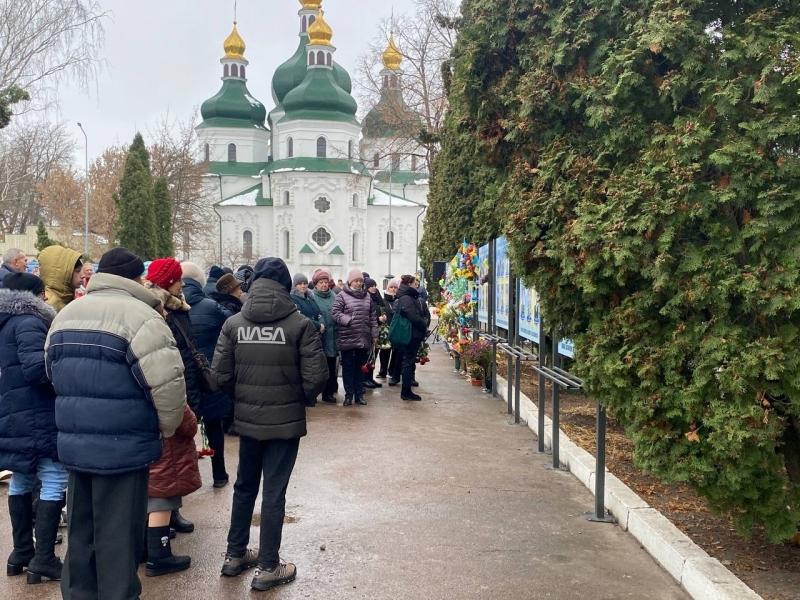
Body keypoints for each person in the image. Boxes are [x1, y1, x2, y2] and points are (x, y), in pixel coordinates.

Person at [45, 247, 186, 600]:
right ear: (135, 278)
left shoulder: (66, 314)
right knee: (119, 534)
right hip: (124, 446)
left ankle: (78, 594)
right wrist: (166, 430)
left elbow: (51, 372)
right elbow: (167, 387)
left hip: (76, 443)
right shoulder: (143, 317)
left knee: (81, 531)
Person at [212, 257, 327, 591]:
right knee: (274, 491)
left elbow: (220, 375)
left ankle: (235, 556)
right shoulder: (300, 324)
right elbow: (317, 378)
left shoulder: (234, 324)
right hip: (284, 423)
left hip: (248, 421)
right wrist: (299, 398)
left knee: (244, 486)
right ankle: (267, 566)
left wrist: (244, 398)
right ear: (286, 285)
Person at [0, 272, 66, 584]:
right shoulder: (27, 321)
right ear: (33, 296)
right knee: (53, 476)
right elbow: (36, 369)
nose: (47, 299)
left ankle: (20, 553)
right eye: (43, 294)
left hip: (13, 411)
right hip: (37, 412)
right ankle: (44, 558)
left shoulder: (5, 322)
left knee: (22, 476)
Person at [143, 258, 203, 575]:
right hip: (166, 392)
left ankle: (161, 531)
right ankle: (158, 552)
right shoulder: (155, 313)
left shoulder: (175, 308)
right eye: (177, 280)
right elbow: (164, 360)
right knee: (163, 468)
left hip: (178, 386)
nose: (181, 285)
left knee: (169, 466)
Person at [181, 261, 231, 488]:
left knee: (180, 430)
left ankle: (183, 481)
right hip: (208, 373)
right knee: (214, 426)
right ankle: (219, 474)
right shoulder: (210, 306)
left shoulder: (168, 307)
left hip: (180, 375)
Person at [331, 270, 378, 406]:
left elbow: (372, 317)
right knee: (348, 367)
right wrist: (348, 320)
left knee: (360, 367)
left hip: (363, 338)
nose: (358, 283)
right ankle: (348, 395)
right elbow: (335, 313)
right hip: (347, 337)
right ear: (350, 281)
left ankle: (359, 395)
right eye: (356, 281)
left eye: (360, 281)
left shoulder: (367, 297)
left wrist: (374, 334)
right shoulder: (342, 296)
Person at [395, 275, 428, 401]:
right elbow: (414, 316)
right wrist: (423, 326)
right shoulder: (406, 297)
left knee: (408, 361)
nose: (417, 286)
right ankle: (406, 391)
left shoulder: (406, 296)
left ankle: (407, 389)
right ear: (409, 284)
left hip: (411, 333)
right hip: (410, 334)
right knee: (408, 362)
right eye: (415, 283)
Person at [311, 269, 338, 404]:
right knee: (318, 368)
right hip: (319, 337)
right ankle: (315, 393)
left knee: (331, 367)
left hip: (333, 337)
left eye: (326, 282)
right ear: (315, 284)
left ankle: (328, 393)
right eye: (321, 282)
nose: (324, 285)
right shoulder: (312, 296)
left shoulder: (334, 296)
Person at [37, 246, 82, 312]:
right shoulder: (49, 305)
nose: (83, 275)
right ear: (63, 273)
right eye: (78, 271)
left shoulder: (64, 298)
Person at [364, 278, 387, 389]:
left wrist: (384, 316)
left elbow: (382, 307)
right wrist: (378, 319)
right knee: (368, 355)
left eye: (375, 285)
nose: (374, 287)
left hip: (377, 328)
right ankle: (365, 379)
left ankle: (370, 378)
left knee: (374, 355)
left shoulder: (377, 296)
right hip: (368, 330)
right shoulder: (365, 297)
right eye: (371, 286)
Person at [379, 280, 400, 382]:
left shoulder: (399, 300)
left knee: (395, 351)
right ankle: (382, 370)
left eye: (395, 288)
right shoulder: (383, 301)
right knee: (385, 351)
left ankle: (392, 370)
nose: (393, 289)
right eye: (391, 287)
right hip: (386, 329)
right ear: (388, 288)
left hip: (396, 329)